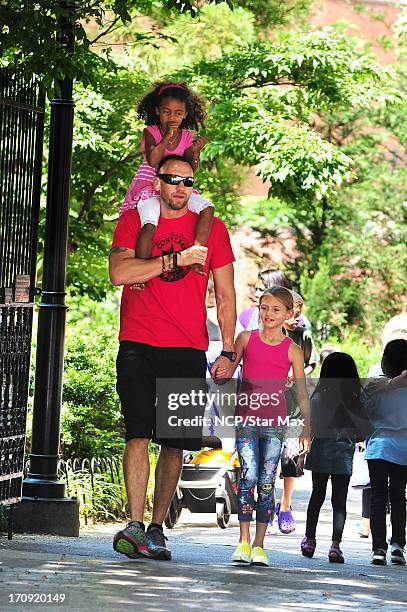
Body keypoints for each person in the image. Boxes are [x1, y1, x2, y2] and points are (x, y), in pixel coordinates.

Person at [109, 154, 236, 561]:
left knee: (175, 442)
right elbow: (118, 274)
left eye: (187, 180)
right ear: (158, 182)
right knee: (138, 434)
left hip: (187, 347)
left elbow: (227, 294)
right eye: (172, 178)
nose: (180, 186)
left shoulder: (214, 229)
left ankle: (157, 526)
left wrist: (230, 349)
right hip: (139, 343)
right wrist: (173, 261)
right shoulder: (135, 219)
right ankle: (133, 521)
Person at [224, 286, 310, 567]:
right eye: (264, 308)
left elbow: (300, 392)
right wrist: (220, 368)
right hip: (246, 421)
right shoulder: (245, 339)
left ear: (289, 314)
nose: (268, 314)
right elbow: (229, 367)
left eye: (276, 309)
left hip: (275, 424)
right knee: (247, 478)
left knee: (267, 481)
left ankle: (260, 545)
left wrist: (307, 427)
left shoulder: (293, 350)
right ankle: (244, 541)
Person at [120, 81, 214, 273]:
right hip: (150, 184)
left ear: (186, 114)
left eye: (178, 113)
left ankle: (196, 254)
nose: (172, 117)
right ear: (157, 111)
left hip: (176, 186)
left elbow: (190, 168)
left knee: (207, 208)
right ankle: (140, 273)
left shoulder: (187, 136)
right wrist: (166, 137)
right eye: (166, 112)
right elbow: (154, 160)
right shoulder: (151, 132)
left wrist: (195, 152)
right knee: (149, 224)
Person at [301, 352, 365, 564]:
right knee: (339, 502)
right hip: (342, 455)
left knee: (316, 496)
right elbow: (362, 433)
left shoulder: (318, 398)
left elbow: (311, 427)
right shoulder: (354, 402)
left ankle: (310, 540)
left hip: (320, 452)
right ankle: (335, 547)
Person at [273, 290, 318, 535]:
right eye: (292, 314)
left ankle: (286, 505)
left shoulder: (303, 335)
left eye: (298, 315)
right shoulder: (266, 335)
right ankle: (266, 507)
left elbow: (313, 362)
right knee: (265, 460)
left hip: (294, 405)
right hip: (269, 404)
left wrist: (297, 374)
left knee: (289, 458)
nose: (295, 319)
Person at [364, 339, 407, 566]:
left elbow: (364, 412)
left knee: (378, 497)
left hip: (378, 447)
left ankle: (378, 548)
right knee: (399, 497)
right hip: (403, 449)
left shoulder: (376, 386)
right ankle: (398, 545)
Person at [239, 269, 311, 332]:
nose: (256, 294)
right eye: (256, 289)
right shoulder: (247, 316)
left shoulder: (298, 322)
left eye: (261, 290)